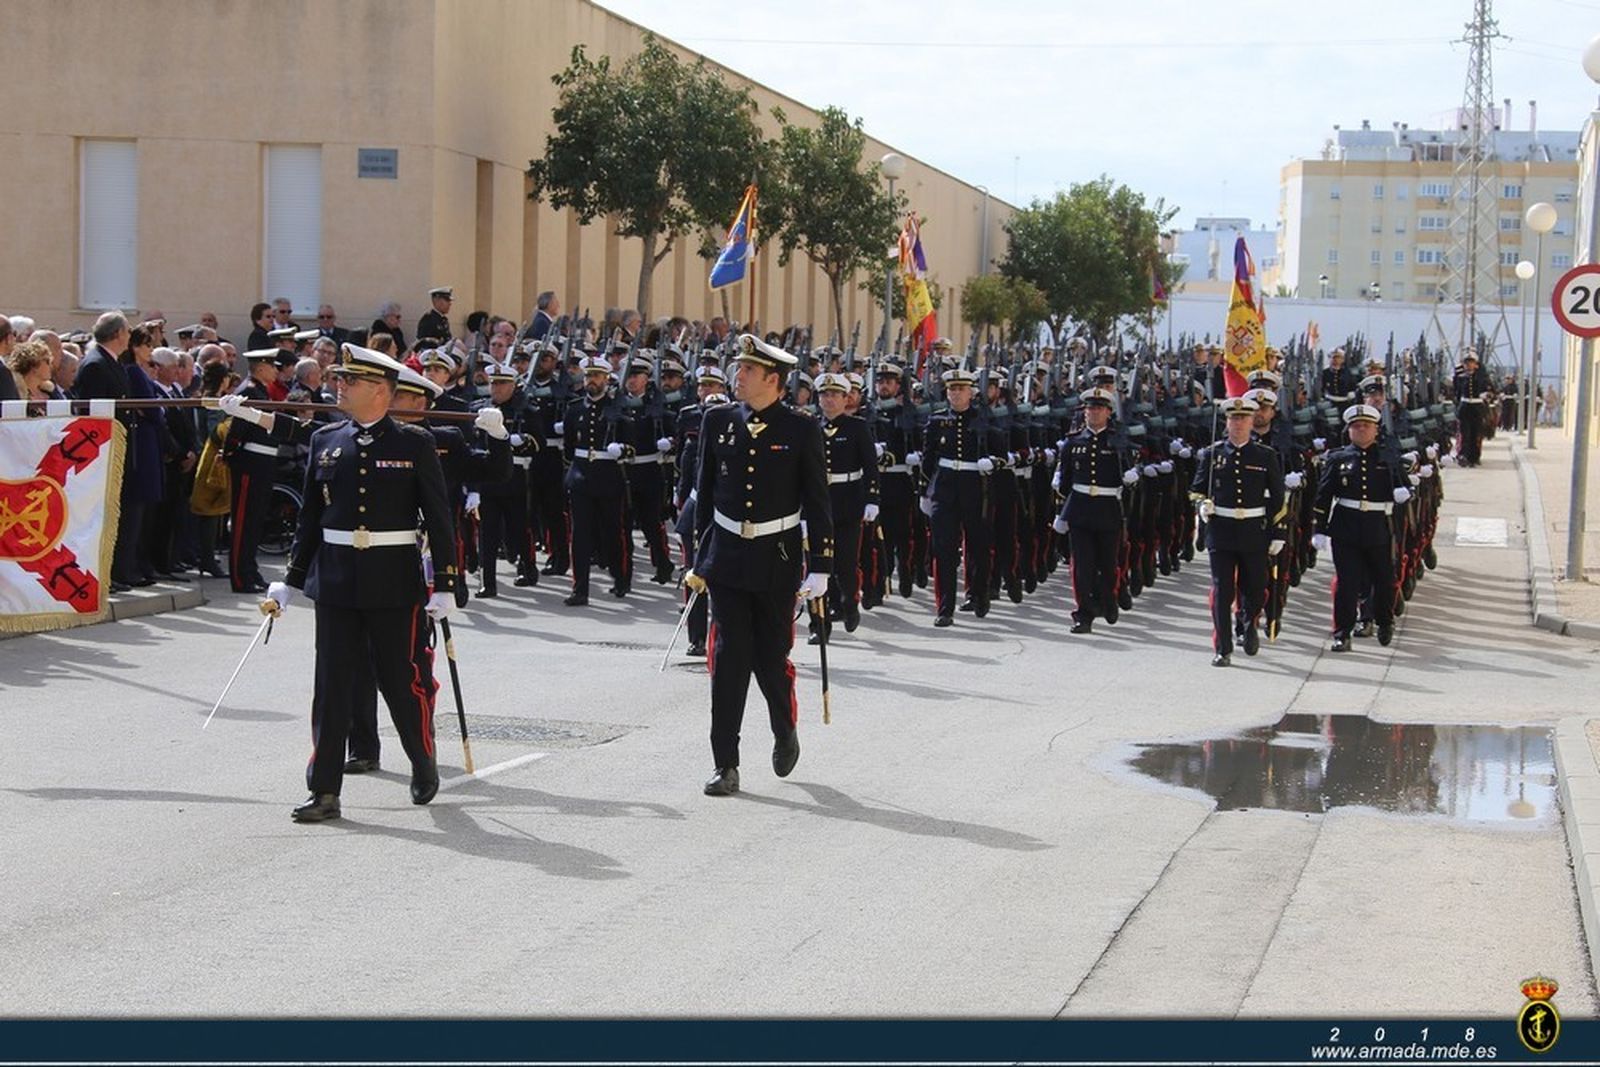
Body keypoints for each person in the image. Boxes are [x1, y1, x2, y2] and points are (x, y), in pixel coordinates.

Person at [257, 345, 456, 823]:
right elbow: (310, 517)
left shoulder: (414, 444)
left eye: (352, 381)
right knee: (332, 686)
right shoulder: (327, 439)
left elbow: (439, 517)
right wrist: (290, 579)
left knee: (399, 681)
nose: (340, 387)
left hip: (393, 582)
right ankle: (325, 789)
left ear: (381, 392)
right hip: (337, 581)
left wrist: (445, 583)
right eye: (340, 379)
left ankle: (421, 758)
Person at [685, 334, 832, 797]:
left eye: (747, 370)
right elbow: (704, 495)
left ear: (773, 380)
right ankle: (725, 763)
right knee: (728, 659)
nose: (738, 375)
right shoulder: (718, 420)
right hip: (727, 558)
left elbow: (817, 500)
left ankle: (784, 727)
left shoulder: (801, 429)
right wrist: (700, 558)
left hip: (778, 558)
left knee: (770, 659)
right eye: (738, 367)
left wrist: (821, 566)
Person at [1189, 396, 1285, 667]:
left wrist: (1279, 533)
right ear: (1227, 422)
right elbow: (1196, 489)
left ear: (1252, 421)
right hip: (1221, 529)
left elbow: (1278, 497)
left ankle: (1248, 622)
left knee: (1254, 588)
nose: (1239, 423)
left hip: (1254, 530)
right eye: (1234, 418)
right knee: (1222, 590)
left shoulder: (1265, 456)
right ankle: (1223, 647)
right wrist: (1201, 505)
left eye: (1243, 418)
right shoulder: (1212, 454)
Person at [1314, 403, 1409, 652]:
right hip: (1346, 526)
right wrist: (1319, 529)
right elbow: (1323, 496)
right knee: (1347, 583)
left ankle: (1384, 622)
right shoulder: (1338, 459)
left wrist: (1403, 492)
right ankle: (1342, 633)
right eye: (1356, 427)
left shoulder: (1388, 457)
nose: (1361, 431)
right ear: (1349, 431)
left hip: (1378, 526)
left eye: (1366, 426)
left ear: (1376, 429)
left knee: (1384, 579)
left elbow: (1404, 485)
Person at [920, 366, 1005, 627]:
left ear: (971, 392)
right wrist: (925, 491)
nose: (956, 394)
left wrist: (992, 462)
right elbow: (929, 458)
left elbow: (1002, 454)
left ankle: (979, 594)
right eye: (952, 389)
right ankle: (944, 608)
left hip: (975, 487)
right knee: (943, 548)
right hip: (944, 488)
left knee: (978, 546)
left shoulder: (985, 418)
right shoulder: (936, 421)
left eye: (961, 389)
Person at [1052, 386, 1136, 634]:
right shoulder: (1072, 442)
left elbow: (1129, 476)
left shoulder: (1118, 441)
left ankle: (1108, 598)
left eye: (1098, 408)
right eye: (1089, 408)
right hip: (1079, 509)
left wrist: (1133, 477)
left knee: (1108, 564)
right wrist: (1061, 513)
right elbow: (1064, 484)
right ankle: (1084, 614)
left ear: (1109, 412)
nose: (1093, 413)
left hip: (1108, 508)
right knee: (1081, 566)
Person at [812, 371, 878, 641]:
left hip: (848, 502)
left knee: (845, 564)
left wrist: (872, 498)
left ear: (844, 398)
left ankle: (849, 604)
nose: (829, 400)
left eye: (835, 395)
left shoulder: (857, 427)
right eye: (824, 395)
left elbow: (870, 467)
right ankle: (819, 624)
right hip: (817, 503)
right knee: (816, 567)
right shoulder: (810, 428)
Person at [216, 349, 287, 593]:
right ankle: (239, 576)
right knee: (244, 521)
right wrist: (229, 454)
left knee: (254, 521)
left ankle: (249, 569)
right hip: (250, 462)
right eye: (272, 366)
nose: (276, 370)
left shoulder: (259, 390)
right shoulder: (248, 390)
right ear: (260, 367)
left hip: (262, 462)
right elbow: (238, 427)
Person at [562, 356, 630, 606]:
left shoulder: (618, 408)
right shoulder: (575, 409)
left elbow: (629, 445)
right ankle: (580, 589)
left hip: (608, 478)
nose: (591, 381)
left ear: (607, 379)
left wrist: (621, 449)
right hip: (580, 478)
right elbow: (569, 448)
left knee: (613, 532)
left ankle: (620, 577)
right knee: (579, 535)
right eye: (588, 376)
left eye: (597, 376)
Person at [1453, 351, 1491, 467]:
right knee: (1465, 433)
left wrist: (1485, 395)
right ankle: (1464, 455)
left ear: (1476, 365)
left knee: (1476, 434)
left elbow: (1489, 390)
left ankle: (1474, 457)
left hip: (1477, 408)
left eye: (1471, 363)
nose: (1469, 365)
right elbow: (1457, 394)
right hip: (1465, 408)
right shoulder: (1460, 378)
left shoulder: (1482, 378)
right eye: (1467, 363)